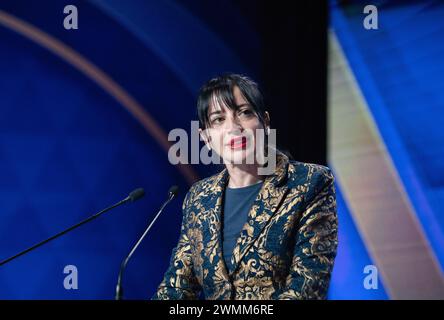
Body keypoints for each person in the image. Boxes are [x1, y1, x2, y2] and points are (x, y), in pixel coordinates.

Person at [152, 74, 338, 300]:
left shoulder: (310, 182)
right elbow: (176, 289)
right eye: (219, 119)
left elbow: (307, 287)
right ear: (206, 137)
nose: (233, 127)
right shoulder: (199, 198)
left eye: (244, 112)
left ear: (265, 122)